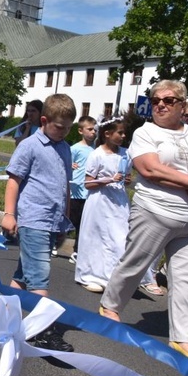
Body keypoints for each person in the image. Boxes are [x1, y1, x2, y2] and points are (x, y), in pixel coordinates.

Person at [100, 80, 188, 369]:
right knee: (135, 264)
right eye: (155, 100)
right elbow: (149, 169)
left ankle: (183, 339)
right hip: (154, 211)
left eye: (168, 100)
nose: (160, 105)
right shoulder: (146, 132)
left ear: (182, 104)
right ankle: (110, 307)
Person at [1, 93, 76, 352]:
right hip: (33, 219)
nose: (64, 132)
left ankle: (2, 320)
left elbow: (64, 185)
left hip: (53, 221)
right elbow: (14, 180)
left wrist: (64, 222)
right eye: (59, 127)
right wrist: (9, 214)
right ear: (44, 120)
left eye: (68, 128)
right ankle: (41, 332)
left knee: (24, 276)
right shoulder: (30, 145)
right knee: (40, 278)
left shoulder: (65, 147)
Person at [74, 117, 155, 293]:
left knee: (120, 236)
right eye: (120, 133)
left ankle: (114, 276)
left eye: (124, 133)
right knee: (98, 237)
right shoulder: (97, 154)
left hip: (118, 201)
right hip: (99, 200)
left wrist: (126, 180)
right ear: (107, 134)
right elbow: (88, 183)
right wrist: (108, 179)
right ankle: (92, 274)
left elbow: (125, 178)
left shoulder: (125, 153)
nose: (123, 136)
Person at [68, 115, 97, 264]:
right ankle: (55, 242)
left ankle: (77, 251)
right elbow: (66, 163)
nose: (93, 132)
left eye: (95, 129)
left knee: (84, 224)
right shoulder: (75, 148)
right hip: (75, 191)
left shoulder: (96, 149)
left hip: (89, 192)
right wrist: (70, 165)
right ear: (80, 131)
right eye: (90, 129)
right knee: (70, 221)